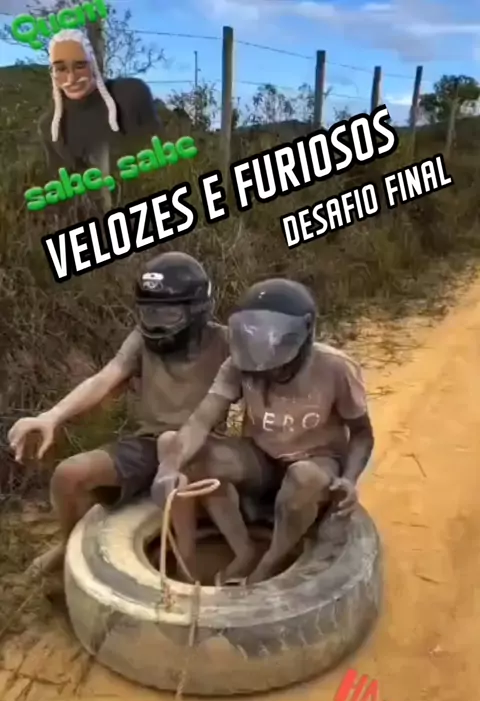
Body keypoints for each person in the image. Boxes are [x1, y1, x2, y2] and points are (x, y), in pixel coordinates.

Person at [8, 251, 233, 581]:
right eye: (150, 312)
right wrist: (51, 416)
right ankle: (68, 547)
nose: (156, 324)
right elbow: (105, 377)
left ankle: (188, 569)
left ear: (197, 309)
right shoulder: (142, 338)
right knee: (69, 475)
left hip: (205, 449)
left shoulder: (226, 341)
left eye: (168, 314)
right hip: (148, 444)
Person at [151, 277, 374, 584]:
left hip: (316, 462)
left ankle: (270, 562)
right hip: (262, 459)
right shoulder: (240, 365)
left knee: (304, 477)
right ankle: (243, 550)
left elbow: (362, 433)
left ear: (304, 333)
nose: (267, 368)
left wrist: (348, 479)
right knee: (174, 446)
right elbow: (201, 420)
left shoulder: (335, 368)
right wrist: (168, 467)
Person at [39, 29, 160, 173]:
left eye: (80, 66)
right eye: (61, 69)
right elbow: (62, 179)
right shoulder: (50, 126)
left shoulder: (131, 94)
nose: (71, 78)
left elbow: (162, 156)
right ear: (52, 72)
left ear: (93, 64)